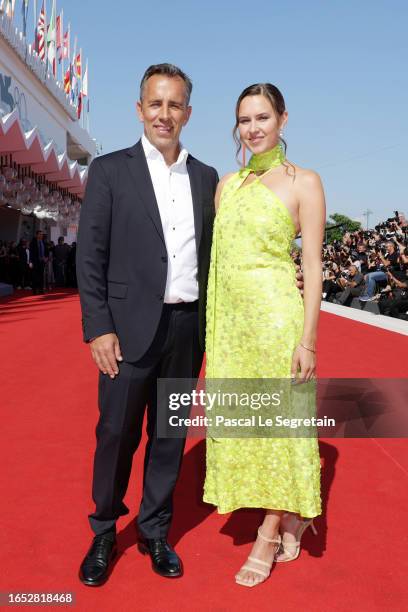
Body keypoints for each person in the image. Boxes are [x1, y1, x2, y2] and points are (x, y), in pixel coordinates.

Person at [76, 63, 218, 586]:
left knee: (169, 436)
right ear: (140, 110)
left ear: (187, 113)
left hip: (186, 332)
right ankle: (105, 529)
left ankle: (156, 531)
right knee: (115, 434)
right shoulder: (110, 171)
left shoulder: (205, 177)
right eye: (155, 104)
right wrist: (98, 327)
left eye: (174, 104)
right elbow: (90, 256)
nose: (164, 114)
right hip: (127, 330)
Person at [203, 83, 325, 587]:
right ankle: (291, 514)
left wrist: (308, 340)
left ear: (283, 120)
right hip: (232, 326)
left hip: (278, 321)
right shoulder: (227, 185)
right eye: (244, 120)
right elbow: (218, 262)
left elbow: (313, 267)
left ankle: (269, 532)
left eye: (262, 118)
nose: (252, 129)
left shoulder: (305, 182)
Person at [29, 230, 48, 294]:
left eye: (42, 234)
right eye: (40, 234)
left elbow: (46, 251)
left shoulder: (44, 242)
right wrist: (30, 262)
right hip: (35, 261)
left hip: (42, 262)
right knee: (35, 276)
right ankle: (34, 290)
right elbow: (31, 253)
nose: (41, 235)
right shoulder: (33, 243)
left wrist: (46, 258)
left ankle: (41, 290)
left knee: (41, 276)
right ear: (36, 235)